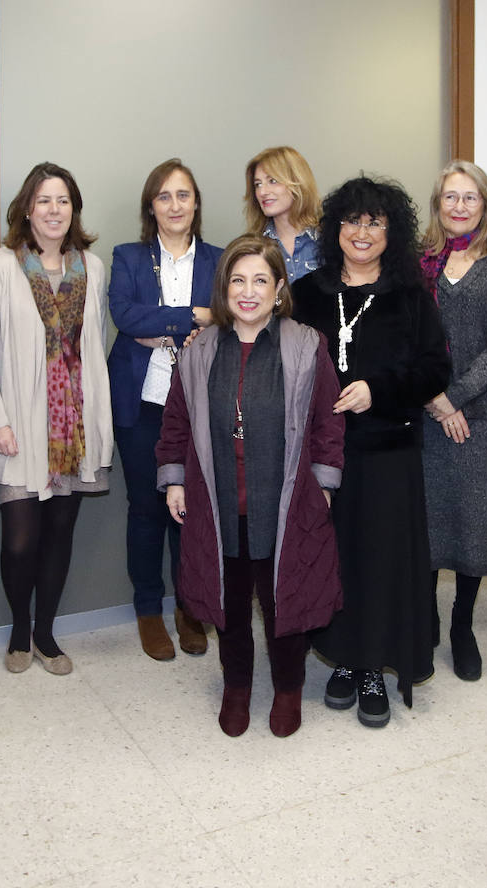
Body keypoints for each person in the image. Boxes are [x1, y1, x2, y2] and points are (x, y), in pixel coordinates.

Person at [156, 235, 344, 737]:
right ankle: (236, 687)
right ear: (224, 289)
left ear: (279, 288)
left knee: (286, 603)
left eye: (261, 280)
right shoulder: (199, 352)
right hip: (219, 502)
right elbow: (176, 421)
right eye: (238, 280)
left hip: (284, 502)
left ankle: (287, 689)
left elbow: (328, 419)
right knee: (230, 606)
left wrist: (323, 485)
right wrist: (174, 480)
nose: (248, 291)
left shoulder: (307, 345)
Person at [293, 177, 451, 727]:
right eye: (352, 221)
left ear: (392, 233)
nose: (362, 233)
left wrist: (377, 389)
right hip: (321, 456)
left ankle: (371, 668)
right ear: (335, 227)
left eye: (375, 223)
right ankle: (342, 656)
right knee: (333, 558)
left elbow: (436, 369)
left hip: (387, 452)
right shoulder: (309, 293)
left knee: (380, 560)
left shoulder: (410, 295)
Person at [0, 162, 112, 676]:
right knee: (20, 539)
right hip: (19, 423)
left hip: (74, 428)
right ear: (26, 209)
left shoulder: (91, 269)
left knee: (60, 534)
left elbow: (93, 348)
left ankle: (46, 633)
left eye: (63, 201)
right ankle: (17, 629)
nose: (54, 211)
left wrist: (98, 421)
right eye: (44, 201)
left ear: (73, 209)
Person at [107, 159, 221, 661]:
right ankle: (149, 611)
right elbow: (125, 314)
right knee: (147, 510)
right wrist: (192, 316)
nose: (175, 205)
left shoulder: (221, 260)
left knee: (192, 513)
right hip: (142, 404)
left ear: (196, 203)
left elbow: (233, 312)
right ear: (150, 206)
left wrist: (163, 326)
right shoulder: (129, 256)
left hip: (200, 408)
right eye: (164, 196)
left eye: (183, 195)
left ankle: (190, 609)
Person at [419, 161, 487, 682]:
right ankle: (427, 620)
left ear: (485, 204)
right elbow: (407, 337)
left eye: (470, 197)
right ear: (438, 205)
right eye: (449, 197)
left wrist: (455, 398)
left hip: (482, 418)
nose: (459, 207)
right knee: (429, 519)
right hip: (424, 415)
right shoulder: (420, 265)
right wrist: (434, 400)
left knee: (474, 522)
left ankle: (463, 623)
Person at [244, 146, 321, 281]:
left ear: (297, 182)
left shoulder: (326, 239)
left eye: (272, 181)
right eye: (258, 184)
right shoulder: (252, 246)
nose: (262, 192)